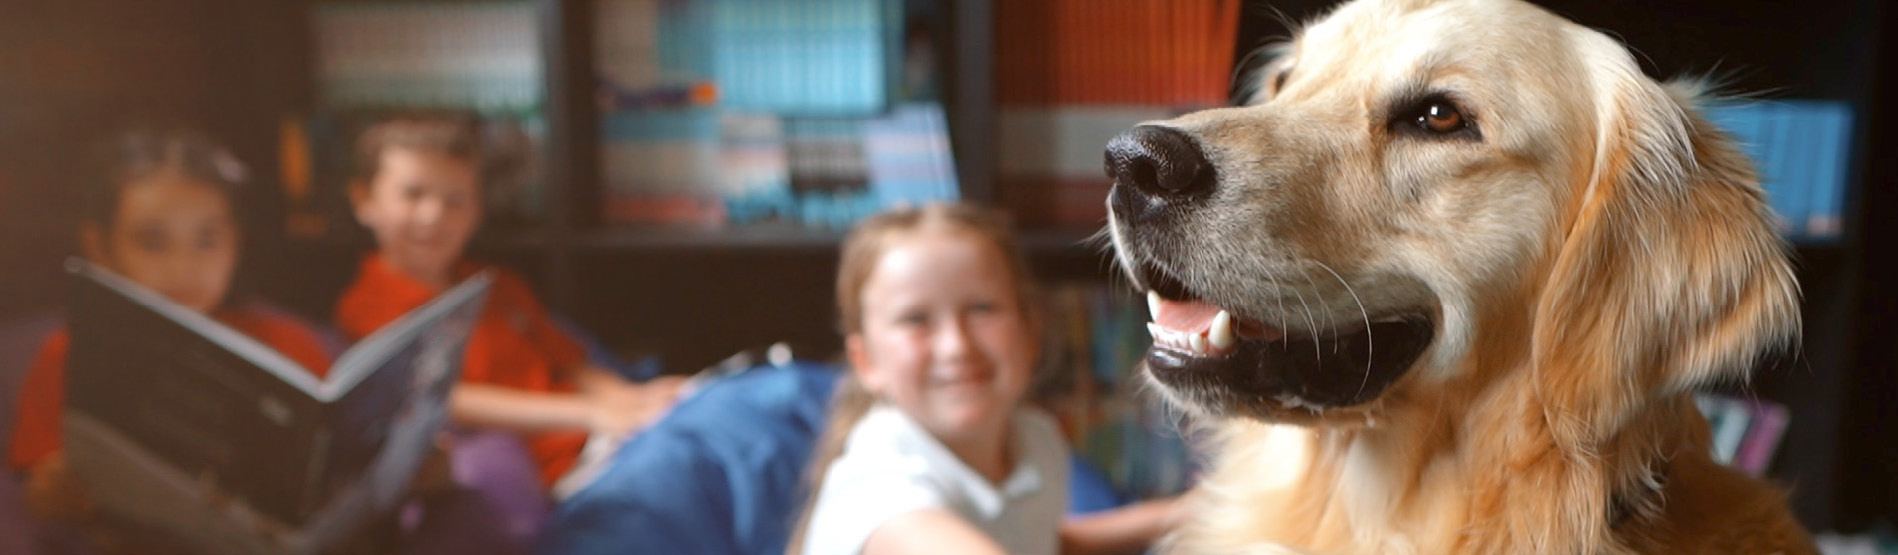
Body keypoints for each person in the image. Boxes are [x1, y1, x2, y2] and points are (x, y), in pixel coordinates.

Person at [332, 113, 683, 533]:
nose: (434, 215)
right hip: (548, 471)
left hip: (601, 438)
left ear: (477, 209)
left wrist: (632, 397)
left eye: (455, 199)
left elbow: (568, 359)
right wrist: (591, 412)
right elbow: (445, 400)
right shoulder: (366, 308)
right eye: (413, 194)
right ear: (363, 200)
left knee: (747, 407)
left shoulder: (496, 285)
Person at [6, 127, 336, 551]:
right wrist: (52, 491)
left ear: (235, 243)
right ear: (101, 247)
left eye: (207, 240)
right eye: (152, 242)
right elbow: (34, 490)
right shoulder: (69, 355)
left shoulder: (289, 342)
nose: (184, 267)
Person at [791, 203, 1184, 555]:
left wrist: (1183, 513)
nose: (956, 346)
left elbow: (1039, 541)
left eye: (982, 309)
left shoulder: (1035, 438)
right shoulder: (879, 485)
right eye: (915, 320)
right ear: (866, 362)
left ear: (1031, 333)